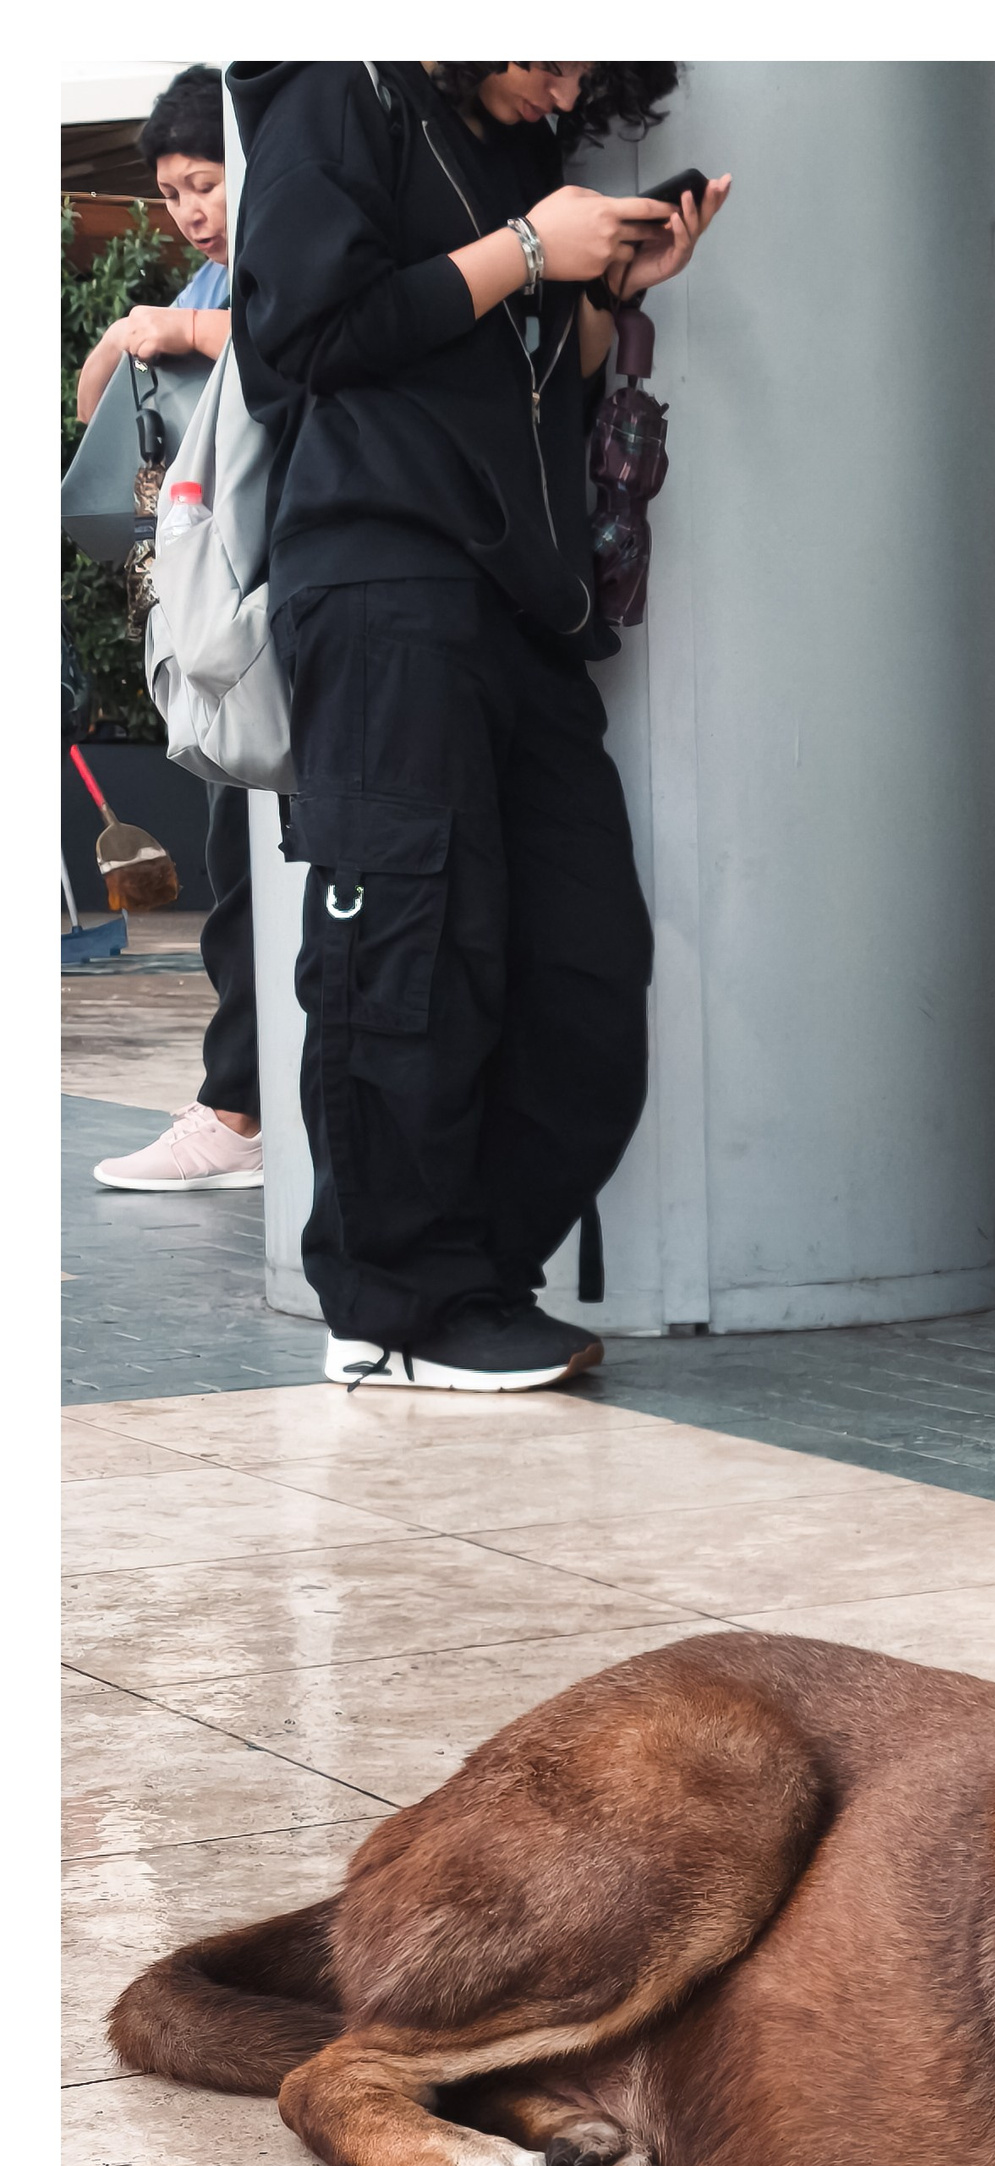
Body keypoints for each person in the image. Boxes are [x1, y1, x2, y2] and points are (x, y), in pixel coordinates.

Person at [228, 60, 729, 1389]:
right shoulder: (340, 97)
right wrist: (525, 251)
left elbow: (505, 374)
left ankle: (470, 1276)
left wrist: (610, 289)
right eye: (542, 49)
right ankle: (393, 1306)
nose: (560, 81)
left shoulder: (517, 148)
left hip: (518, 603)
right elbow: (298, 341)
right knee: (409, 949)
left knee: (581, 966)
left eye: (585, 64)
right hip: (383, 580)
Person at [86, 66, 266, 1197]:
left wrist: (185, 323)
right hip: (220, 605)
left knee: (255, 861)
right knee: (234, 853)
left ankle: (239, 1109)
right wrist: (134, 327)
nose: (193, 211)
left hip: (274, 598)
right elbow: (102, 390)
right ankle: (242, 1104)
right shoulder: (211, 275)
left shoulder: (292, 262)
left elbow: (303, 336)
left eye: (206, 182)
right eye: (171, 194)